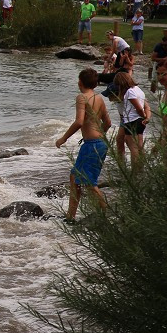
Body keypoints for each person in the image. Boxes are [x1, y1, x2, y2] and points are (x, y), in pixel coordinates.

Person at [55, 68, 112, 222]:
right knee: (75, 177)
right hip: (98, 143)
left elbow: (79, 121)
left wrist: (63, 138)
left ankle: (106, 215)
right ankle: (70, 217)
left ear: (80, 82)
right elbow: (108, 122)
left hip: (92, 144)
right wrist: (100, 135)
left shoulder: (82, 97)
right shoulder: (99, 98)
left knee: (89, 183)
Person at [112, 71, 149, 173]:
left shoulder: (130, 92)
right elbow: (144, 106)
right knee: (139, 146)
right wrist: (145, 118)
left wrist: (143, 116)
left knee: (133, 148)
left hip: (132, 121)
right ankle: (141, 170)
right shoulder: (138, 90)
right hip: (139, 121)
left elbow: (139, 108)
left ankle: (135, 173)